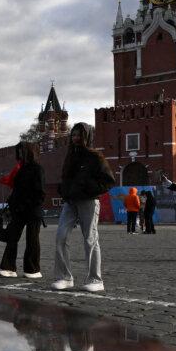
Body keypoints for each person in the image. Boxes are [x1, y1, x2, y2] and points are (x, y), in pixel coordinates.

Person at [51, 123, 115, 292]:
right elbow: (65, 178)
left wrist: (87, 189)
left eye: (79, 135)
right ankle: (64, 277)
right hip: (70, 202)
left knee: (90, 239)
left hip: (88, 201)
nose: (75, 138)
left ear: (86, 137)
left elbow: (108, 181)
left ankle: (95, 279)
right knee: (60, 236)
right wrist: (64, 190)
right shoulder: (70, 156)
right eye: (73, 135)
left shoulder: (96, 157)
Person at [0, 141, 45, 279]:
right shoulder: (21, 169)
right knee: (12, 238)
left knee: (32, 240)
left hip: (32, 210)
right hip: (18, 210)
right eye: (18, 152)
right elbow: (16, 190)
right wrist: (13, 203)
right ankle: (8, 267)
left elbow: (40, 193)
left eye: (21, 152)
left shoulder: (37, 169)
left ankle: (32, 269)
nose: (19, 155)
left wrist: (27, 204)